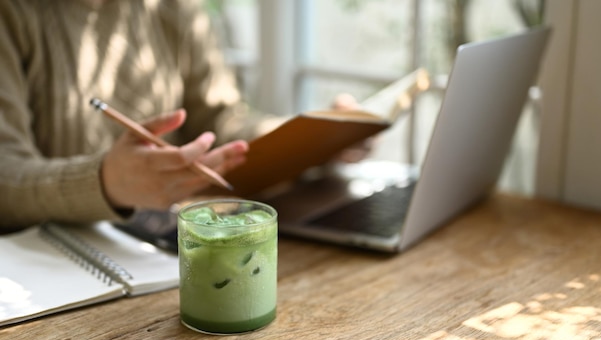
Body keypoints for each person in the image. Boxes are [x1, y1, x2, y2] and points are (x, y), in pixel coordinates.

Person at [0, 0, 364, 233]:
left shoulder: (175, 8)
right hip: (50, 269)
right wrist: (105, 181)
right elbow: (6, 174)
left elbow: (222, 124)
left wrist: (309, 137)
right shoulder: (14, 15)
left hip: (163, 248)